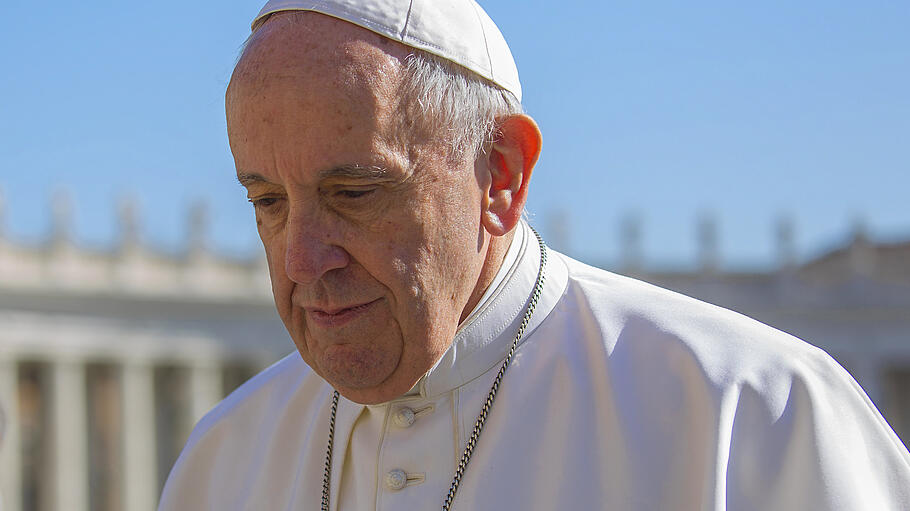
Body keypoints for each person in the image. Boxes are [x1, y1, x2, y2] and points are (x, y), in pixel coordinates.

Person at [159, 1, 910, 509]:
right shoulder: (223, 460)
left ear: (502, 175)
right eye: (268, 201)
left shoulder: (751, 414)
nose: (301, 259)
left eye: (355, 191)